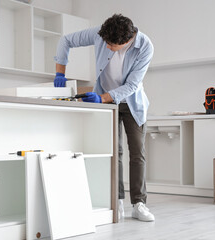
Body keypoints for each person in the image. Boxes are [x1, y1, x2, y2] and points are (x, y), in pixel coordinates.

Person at [54, 14, 154, 222]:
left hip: (131, 103)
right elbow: (66, 40)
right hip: (106, 102)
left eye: (111, 44)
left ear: (126, 40)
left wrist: (102, 98)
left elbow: (132, 85)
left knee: (137, 152)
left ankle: (139, 203)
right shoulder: (100, 33)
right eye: (105, 42)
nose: (106, 47)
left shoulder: (145, 46)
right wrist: (60, 72)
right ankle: (116, 200)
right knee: (113, 151)